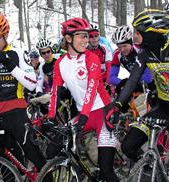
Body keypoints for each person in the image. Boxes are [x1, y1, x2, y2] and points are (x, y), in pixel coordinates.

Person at [0, 14, 51, 180]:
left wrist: (10, 65)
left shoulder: (16, 53)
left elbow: (32, 84)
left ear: (5, 36)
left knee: (32, 152)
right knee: (4, 157)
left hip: (16, 111)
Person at [48, 17, 119, 182]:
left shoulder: (91, 58)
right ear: (68, 38)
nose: (86, 40)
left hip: (103, 113)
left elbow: (92, 88)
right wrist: (51, 118)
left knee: (106, 171)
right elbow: (55, 92)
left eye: (87, 36)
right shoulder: (60, 63)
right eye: (81, 35)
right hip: (84, 114)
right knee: (53, 148)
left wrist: (84, 115)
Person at [104, 9, 169, 162]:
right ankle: (151, 169)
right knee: (128, 146)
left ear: (152, 32)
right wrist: (117, 105)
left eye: (138, 32)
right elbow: (132, 81)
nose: (134, 36)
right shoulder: (145, 53)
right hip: (162, 107)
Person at [110, 25, 153, 113]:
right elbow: (111, 77)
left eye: (125, 46)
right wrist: (123, 82)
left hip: (152, 81)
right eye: (119, 46)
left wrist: (129, 82)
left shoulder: (141, 51)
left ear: (131, 43)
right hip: (134, 82)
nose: (122, 49)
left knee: (142, 109)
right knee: (120, 104)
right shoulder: (117, 54)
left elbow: (148, 77)